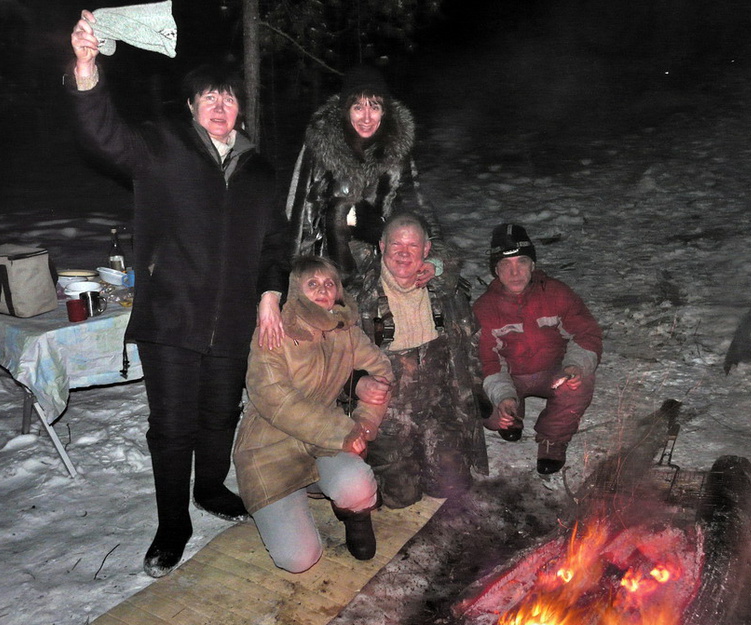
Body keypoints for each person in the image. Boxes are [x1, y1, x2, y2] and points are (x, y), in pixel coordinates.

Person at [69, 11, 290, 578]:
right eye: (208, 98)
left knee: (220, 415)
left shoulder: (260, 172)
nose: (220, 107)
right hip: (170, 319)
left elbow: (275, 243)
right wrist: (88, 69)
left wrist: (270, 293)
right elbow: (103, 135)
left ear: (241, 108)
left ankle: (211, 490)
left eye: (229, 98)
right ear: (192, 106)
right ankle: (173, 525)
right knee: (172, 427)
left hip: (235, 320)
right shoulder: (160, 148)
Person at [233, 256, 394, 572]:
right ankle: (294, 494)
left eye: (329, 283)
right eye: (313, 284)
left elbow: (382, 369)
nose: (323, 289)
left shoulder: (343, 328)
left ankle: (354, 513)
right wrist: (342, 432)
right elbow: (274, 398)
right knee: (299, 559)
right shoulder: (275, 329)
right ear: (295, 290)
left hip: (321, 441)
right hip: (269, 448)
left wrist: (365, 420)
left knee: (358, 484)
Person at [356, 213, 488, 509]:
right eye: (395, 244)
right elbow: (333, 359)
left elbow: (469, 344)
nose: (403, 253)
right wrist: (355, 385)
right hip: (387, 416)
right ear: (381, 246)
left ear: (427, 250)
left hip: (435, 408)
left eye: (413, 245)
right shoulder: (360, 293)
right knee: (400, 498)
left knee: (452, 486)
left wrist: (477, 388)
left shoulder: (444, 292)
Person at [285, 65, 439, 287]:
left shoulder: (396, 152)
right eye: (358, 107)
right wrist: (296, 272)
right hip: (326, 272)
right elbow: (298, 215)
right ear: (346, 111)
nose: (366, 117)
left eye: (374, 107)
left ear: (384, 111)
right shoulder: (320, 147)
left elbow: (419, 210)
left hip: (383, 266)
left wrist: (434, 258)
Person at [473, 223, 603, 475]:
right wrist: (503, 397)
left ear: (532, 265)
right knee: (490, 413)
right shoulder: (485, 309)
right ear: (495, 272)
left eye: (521, 262)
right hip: (512, 375)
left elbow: (587, 333)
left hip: (554, 370)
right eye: (505, 266)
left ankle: (552, 440)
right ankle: (512, 414)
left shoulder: (556, 293)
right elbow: (488, 361)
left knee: (579, 384)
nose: (515, 272)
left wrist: (574, 365)